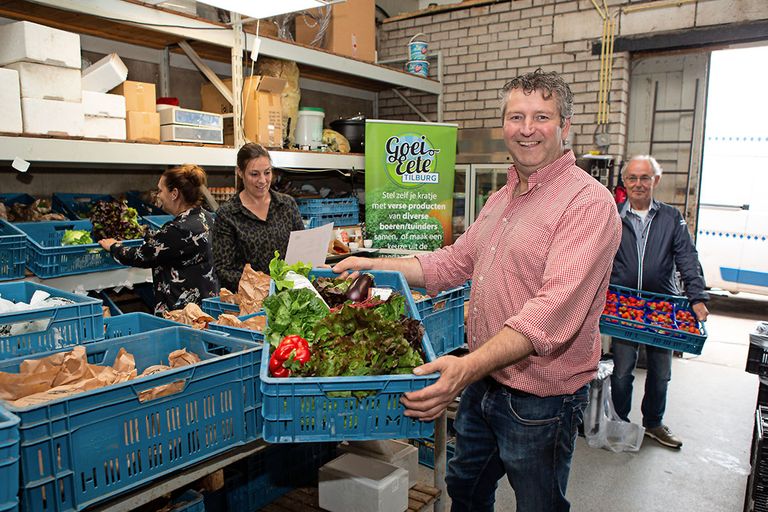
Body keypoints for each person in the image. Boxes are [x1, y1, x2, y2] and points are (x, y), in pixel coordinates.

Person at [334, 69, 622, 512]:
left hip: (542, 399)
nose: (527, 129)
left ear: (565, 127)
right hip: (485, 384)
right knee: (465, 490)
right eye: (516, 117)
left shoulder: (588, 203)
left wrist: (464, 369)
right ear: (503, 125)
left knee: (538, 504)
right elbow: (450, 263)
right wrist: (372, 264)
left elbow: (549, 315)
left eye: (541, 117)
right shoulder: (500, 199)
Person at [610, 155, 709, 449]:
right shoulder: (612, 216)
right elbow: (597, 258)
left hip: (662, 308)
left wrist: (697, 296)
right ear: (624, 182)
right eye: (632, 178)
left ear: (656, 180)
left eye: (645, 178)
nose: (638, 184)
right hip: (623, 306)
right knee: (622, 371)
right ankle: (619, 422)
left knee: (661, 373)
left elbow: (688, 258)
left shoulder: (671, 217)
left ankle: (653, 423)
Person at [99, 164, 218, 315]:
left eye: (161, 190)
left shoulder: (178, 229)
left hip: (182, 316)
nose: (158, 195)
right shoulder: (205, 217)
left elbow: (141, 256)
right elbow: (173, 246)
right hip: (204, 308)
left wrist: (114, 247)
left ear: (174, 193)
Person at [212, 143, 304, 291]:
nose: (262, 180)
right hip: (249, 300)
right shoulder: (228, 214)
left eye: (267, 173)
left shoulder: (287, 205)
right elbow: (224, 270)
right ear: (240, 173)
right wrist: (264, 283)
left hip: (289, 293)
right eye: (254, 174)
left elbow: (302, 249)